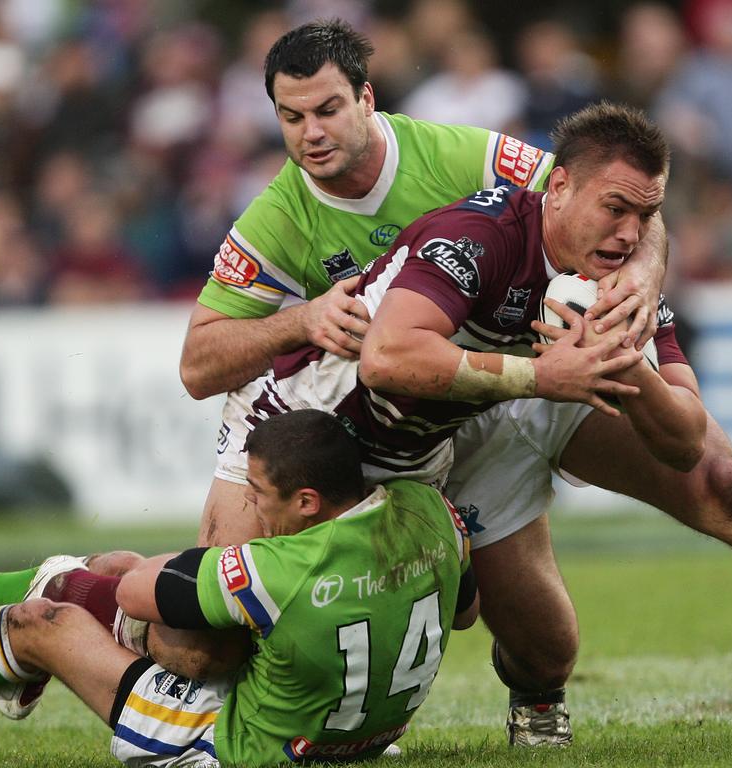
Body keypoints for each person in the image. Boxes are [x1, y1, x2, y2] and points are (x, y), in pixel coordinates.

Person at [178, 21, 667, 744]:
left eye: (328, 109)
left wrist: (647, 273)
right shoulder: (278, 217)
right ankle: (79, 613)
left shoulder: (460, 154)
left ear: (367, 98)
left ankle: (532, 695)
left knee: (544, 642)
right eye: (291, 117)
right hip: (317, 413)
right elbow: (196, 366)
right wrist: (301, 318)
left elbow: (611, 189)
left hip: (462, 410)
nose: (310, 132)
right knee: (204, 637)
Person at [0, 409, 478, 767]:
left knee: (49, 621)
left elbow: (133, 593)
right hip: (355, 734)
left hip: (234, 748)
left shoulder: (279, 571)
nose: (252, 508)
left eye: (259, 494)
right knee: (128, 571)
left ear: (308, 500)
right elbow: (468, 609)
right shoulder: (429, 513)